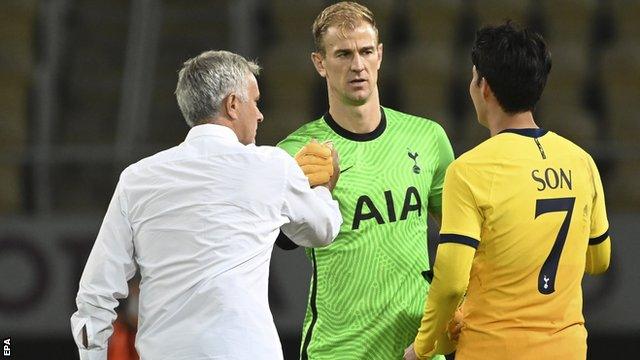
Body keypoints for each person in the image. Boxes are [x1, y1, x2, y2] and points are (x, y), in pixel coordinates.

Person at [70, 50, 343, 360]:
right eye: (255, 101)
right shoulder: (272, 166)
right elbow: (323, 230)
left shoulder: (137, 179)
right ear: (232, 104)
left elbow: (96, 294)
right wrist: (324, 188)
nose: (260, 114)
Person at [405, 22, 612, 360]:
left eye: (474, 78)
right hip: (568, 349)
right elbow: (599, 260)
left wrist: (423, 347)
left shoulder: (469, 171)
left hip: (494, 348)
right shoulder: (582, 161)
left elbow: (452, 282)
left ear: (483, 86)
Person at [276, 2, 454, 359]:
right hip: (340, 348)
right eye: (342, 54)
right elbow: (283, 241)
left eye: (365, 51)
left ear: (380, 55)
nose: (357, 65)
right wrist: (314, 197)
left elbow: (460, 235)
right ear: (319, 63)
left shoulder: (428, 137)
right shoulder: (297, 152)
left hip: (416, 346)